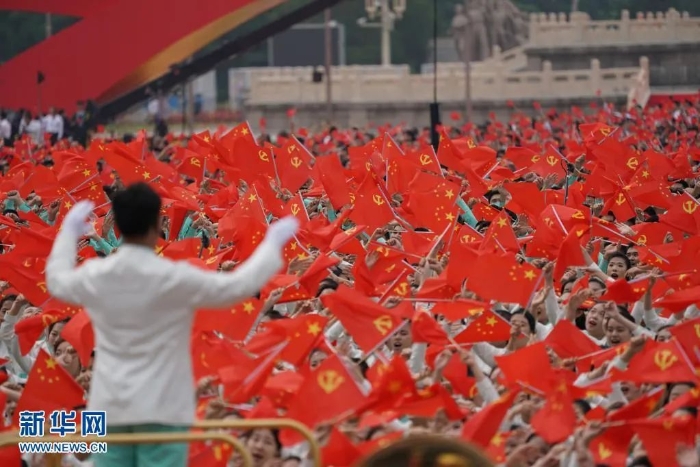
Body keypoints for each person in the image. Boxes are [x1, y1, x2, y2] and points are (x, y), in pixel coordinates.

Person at [45, 182, 299, 467]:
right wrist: (271, 245)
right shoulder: (174, 278)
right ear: (157, 224)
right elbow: (237, 287)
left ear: (118, 225)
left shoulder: (98, 274)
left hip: (111, 406)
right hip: (163, 408)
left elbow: (56, 281)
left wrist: (68, 233)